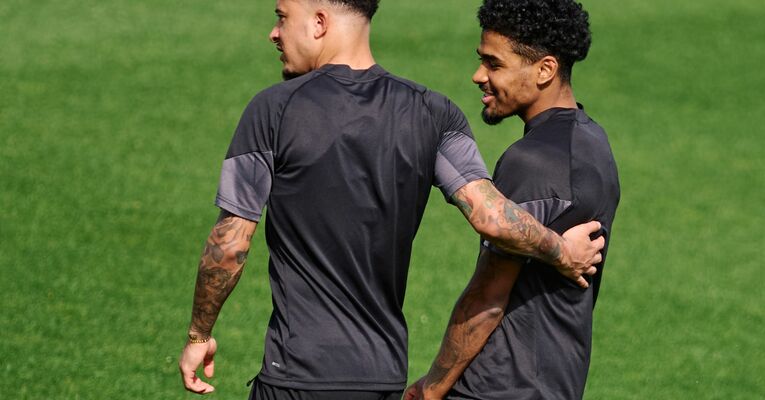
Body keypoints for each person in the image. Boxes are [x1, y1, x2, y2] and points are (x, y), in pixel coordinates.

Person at [177, 0, 605, 399]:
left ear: (320, 22)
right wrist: (560, 250)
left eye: (282, 16)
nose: (274, 33)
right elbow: (491, 216)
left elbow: (230, 245)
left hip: (296, 372)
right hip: (382, 375)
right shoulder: (435, 112)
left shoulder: (272, 110)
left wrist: (199, 335)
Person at [406, 0, 620, 399]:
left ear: (545, 70)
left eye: (494, 64)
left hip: (497, 387)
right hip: (556, 383)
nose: (478, 76)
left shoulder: (531, 162)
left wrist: (431, 388)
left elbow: (489, 295)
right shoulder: (594, 142)